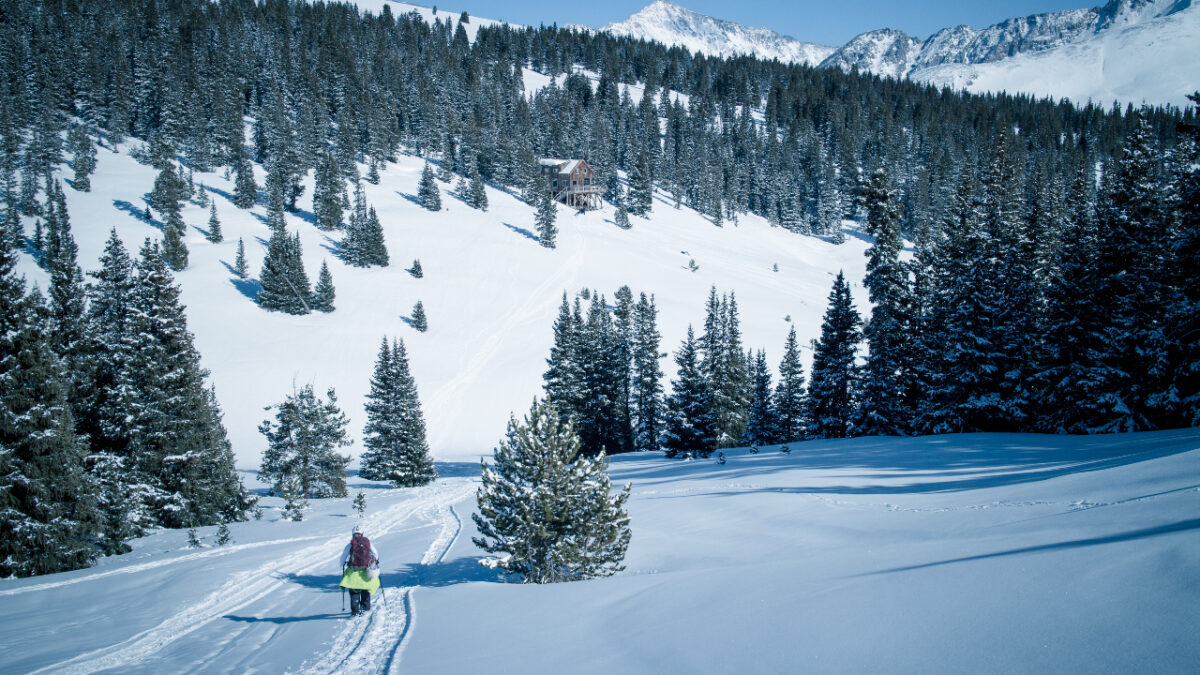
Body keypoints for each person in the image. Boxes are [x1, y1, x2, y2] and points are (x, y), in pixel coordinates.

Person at [339, 524, 380, 616]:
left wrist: (342, 564)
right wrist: (375, 562)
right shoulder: (368, 543)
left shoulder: (350, 545)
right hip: (366, 572)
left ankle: (355, 612)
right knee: (365, 591)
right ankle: (366, 609)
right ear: (362, 534)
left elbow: (343, 558)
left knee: (354, 593)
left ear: (353, 534)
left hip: (354, 572)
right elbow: (375, 554)